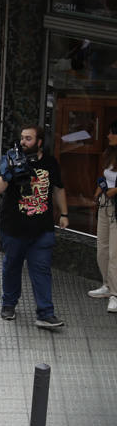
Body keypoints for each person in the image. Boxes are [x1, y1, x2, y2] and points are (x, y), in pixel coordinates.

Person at [0, 126, 68, 329]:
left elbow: (59, 189)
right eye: (22, 138)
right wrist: (9, 173)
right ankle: (8, 304)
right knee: (12, 267)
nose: (23, 142)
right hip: (14, 228)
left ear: (40, 142)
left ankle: (45, 313)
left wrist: (65, 214)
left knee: (42, 270)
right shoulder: (10, 158)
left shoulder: (50, 163)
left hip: (42, 229)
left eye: (29, 138)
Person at [91, 120, 117, 313]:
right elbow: (104, 176)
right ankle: (107, 285)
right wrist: (98, 191)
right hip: (104, 205)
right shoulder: (108, 154)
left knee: (115, 253)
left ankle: (115, 293)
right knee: (102, 247)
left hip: (115, 207)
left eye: (111, 133)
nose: (108, 136)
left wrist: (113, 191)